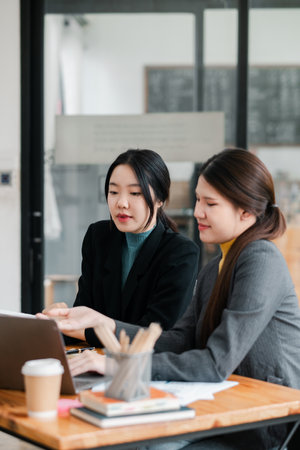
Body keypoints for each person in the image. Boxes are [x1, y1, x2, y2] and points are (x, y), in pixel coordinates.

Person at [40, 148, 300, 449]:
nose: (198, 211)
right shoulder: (218, 266)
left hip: (265, 425)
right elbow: (177, 340)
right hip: (229, 411)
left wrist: (117, 365)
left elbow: (215, 363)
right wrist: (106, 325)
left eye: (210, 203)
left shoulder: (260, 260)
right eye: (198, 200)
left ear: (246, 211)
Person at [43, 149, 199, 345]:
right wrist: (58, 320)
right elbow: (84, 310)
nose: (121, 203)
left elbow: (155, 334)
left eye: (135, 193)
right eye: (113, 192)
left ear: (160, 200)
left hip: (144, 369)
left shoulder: (181, 253)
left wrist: (80, 329)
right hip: (93, 361)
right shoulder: (98, 237)